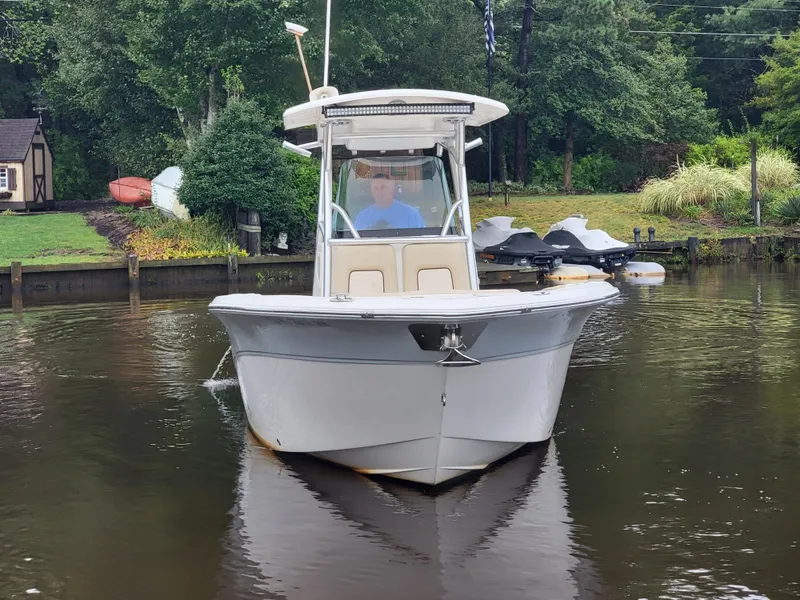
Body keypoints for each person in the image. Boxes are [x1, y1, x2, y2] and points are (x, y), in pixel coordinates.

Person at [353, 173, 425, 230]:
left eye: (383, 187)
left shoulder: (411, 214)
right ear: (371, 191)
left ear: (392, 189)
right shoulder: (362, 217)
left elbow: (422, 242)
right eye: (375, 188)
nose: (379, 192)